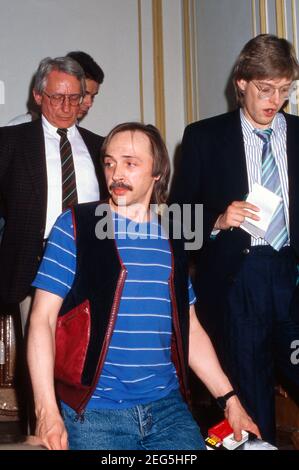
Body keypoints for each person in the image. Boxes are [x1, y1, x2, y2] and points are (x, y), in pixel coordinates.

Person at [27, 122, 260, 450]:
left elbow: (190, 329)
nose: (115, 173)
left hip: (168, 411)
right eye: (109, 163)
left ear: (157, 173)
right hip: (94, 413)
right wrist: (46, 411)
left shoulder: (173, 235)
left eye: (130, 163)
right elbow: (42, 320)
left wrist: (231, 401)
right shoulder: (76, 225)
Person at [169, 34, 299, 445]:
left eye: (284, 90)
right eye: (265, 89)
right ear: (241, 82)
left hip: (291, 277)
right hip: (236, 284)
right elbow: (176, 220)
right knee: (251, 402)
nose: (274, 100)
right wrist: (218, 219)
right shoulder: (203, 137)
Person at [0, 56, 105, 330]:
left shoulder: (101, 147)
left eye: (74, 97)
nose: (66, 106)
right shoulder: (10, 142)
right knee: (39, 356)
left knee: (85, 358)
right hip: (32, 268)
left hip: (90, 264)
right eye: (57, 96)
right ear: (38, 95)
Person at [66, 51, 104, 122]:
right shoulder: (39, 130)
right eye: (83, 94)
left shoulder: (81, 132)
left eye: (92, 96)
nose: (89, 103)